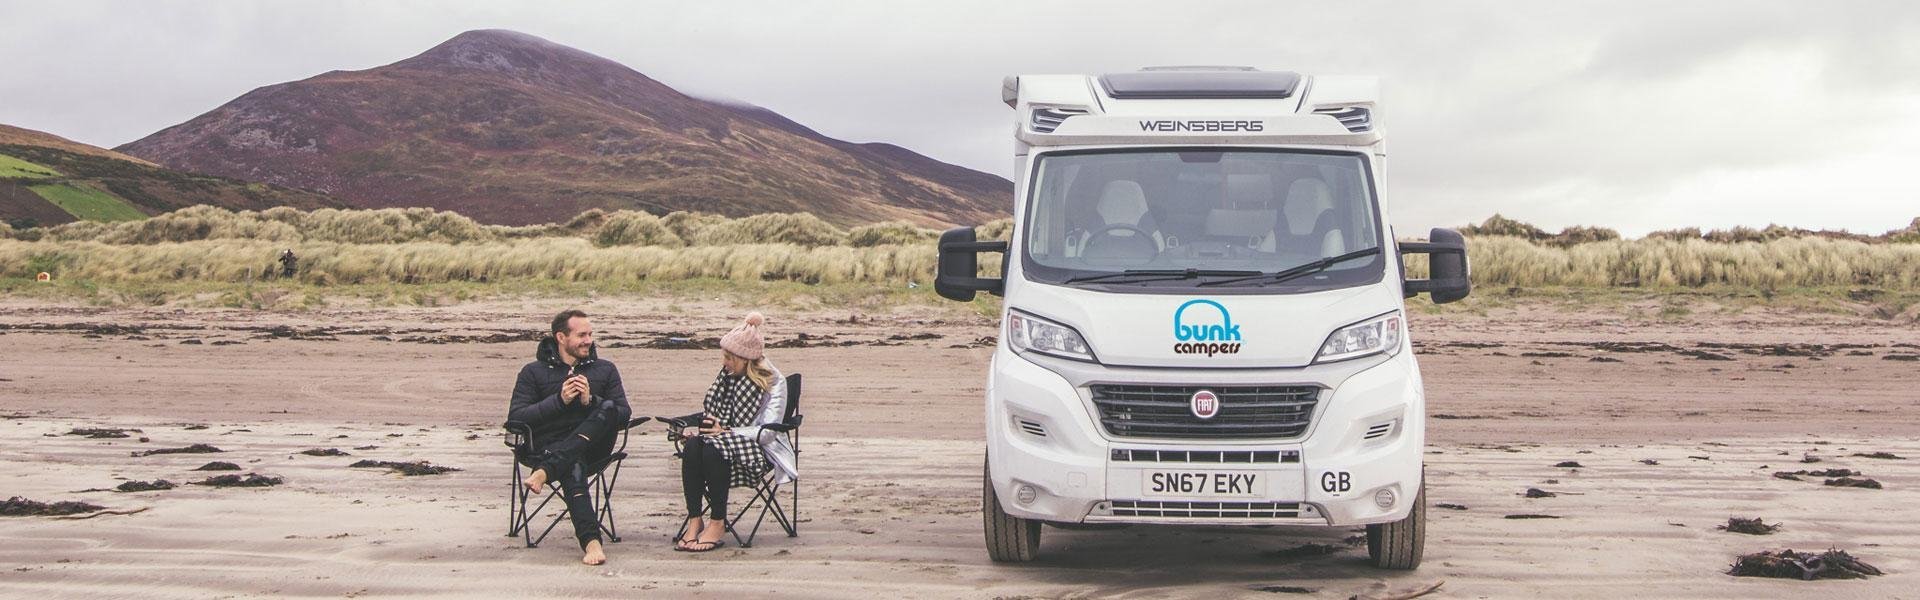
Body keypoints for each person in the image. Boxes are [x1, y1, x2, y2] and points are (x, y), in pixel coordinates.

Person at [508, 309, 631, 565]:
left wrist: (590, 401)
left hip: (594, 448)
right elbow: (516, 418)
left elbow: (623, 414)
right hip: (547, 447)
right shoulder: (533, 372)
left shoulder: (605, 370)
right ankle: (592, 542)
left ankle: (545, 472)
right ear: (561, 337)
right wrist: (559, 401)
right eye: (582, 335)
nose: (588, 340)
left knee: (606, 407)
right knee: (572, 462)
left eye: (590, 334)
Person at [671, 312, 797, 552]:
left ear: (745, 359)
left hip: (760, 449)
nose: (724, 363)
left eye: (730, 358)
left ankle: (717, 522)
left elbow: (768, 433)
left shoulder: (773, 382)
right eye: (724, 356)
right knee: (695, 446)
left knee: (712, 449)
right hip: (723, 441)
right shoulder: (728, 377)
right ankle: (695, 519)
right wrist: (702, 428)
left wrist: (726, 431)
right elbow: (714, 413)